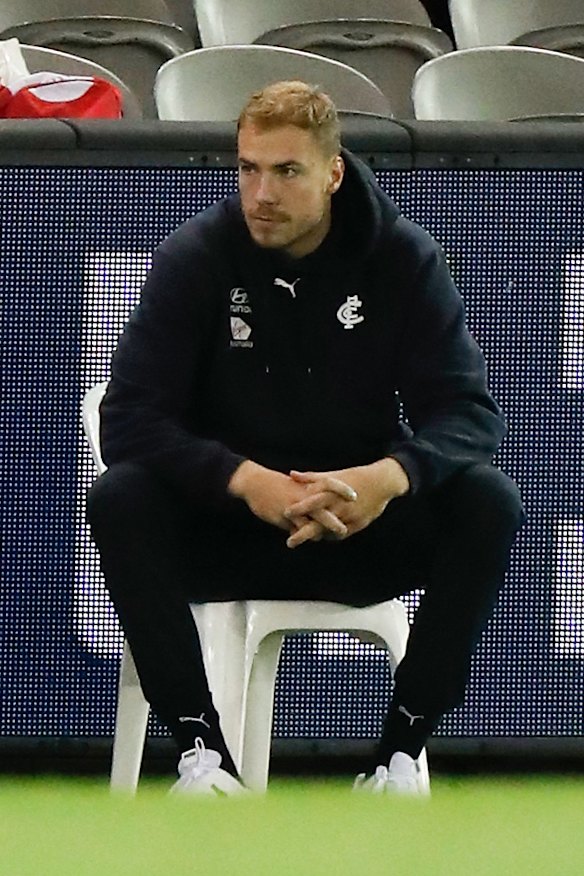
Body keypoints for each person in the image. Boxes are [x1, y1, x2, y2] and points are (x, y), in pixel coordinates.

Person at [87, 80, 524, 796]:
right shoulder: (196, 258)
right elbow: (129, 421)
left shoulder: (402, 261)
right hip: (228, 529)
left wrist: (387, 479)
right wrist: (245, 480)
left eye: (286, 171)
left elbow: (470, 417)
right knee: (120, 498)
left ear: (332, 173)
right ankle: (202, 757)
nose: (262, 193)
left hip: (356, 530)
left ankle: (399, 755)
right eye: (248, 168)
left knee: (488, 501)